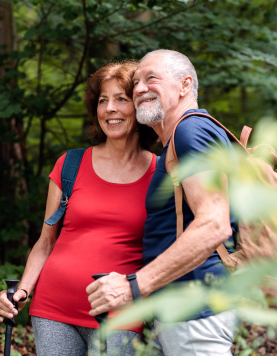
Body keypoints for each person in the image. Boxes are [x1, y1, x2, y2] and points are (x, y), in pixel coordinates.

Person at [0, 60, 158, 355]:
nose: (110, 108)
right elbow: (45, 243)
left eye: (121, 98)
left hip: (120, 311)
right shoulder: (70, 164)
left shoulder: (162, 173)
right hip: (54, 308)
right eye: (103, 100)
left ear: (139, 106)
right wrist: (21, 292)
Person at [86, 49, 238, 356]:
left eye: (151, 78)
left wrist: (134, 285)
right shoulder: (179, 139)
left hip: (196, 313)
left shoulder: (190, 131)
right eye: (136, 82)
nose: (139, 88)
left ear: (184, 86)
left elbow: (214, 223)